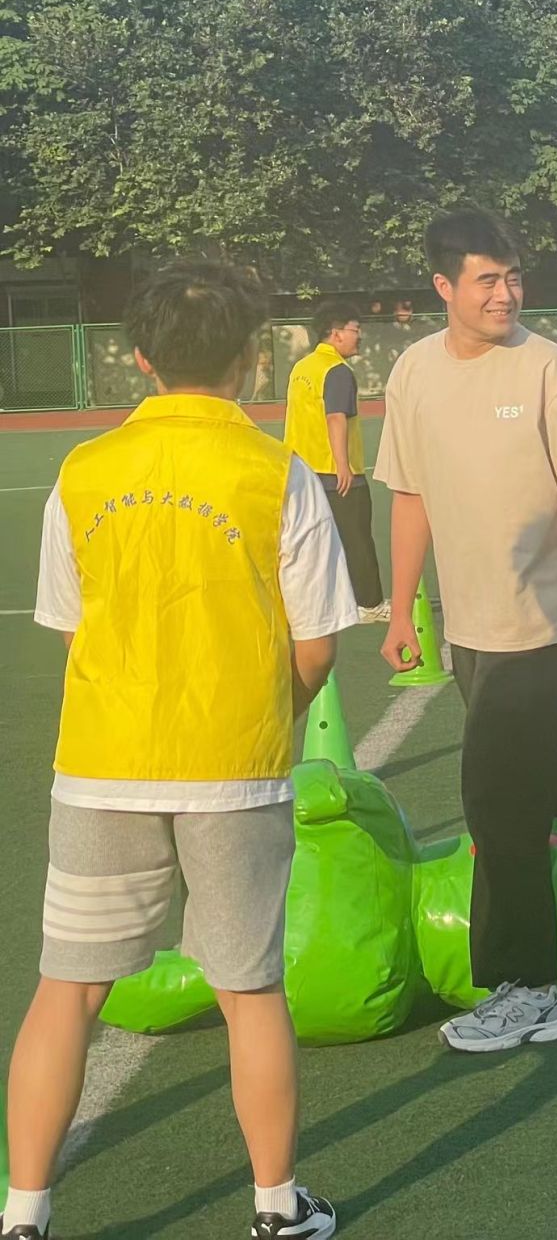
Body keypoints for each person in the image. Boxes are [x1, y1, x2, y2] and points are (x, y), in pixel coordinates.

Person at [8, 261, 354, 1240]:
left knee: (67, 992)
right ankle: (275, 1208)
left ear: (140, 359)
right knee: (250, 993)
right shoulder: (275, 473)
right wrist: (266, 718)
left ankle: (23, 1214)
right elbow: (317, 647)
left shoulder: (84, 470)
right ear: (249, 359)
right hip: (234, 772)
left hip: (101, 765)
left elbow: (72, 625)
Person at [376, 211, 557, 1053]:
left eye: (512, 277)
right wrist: (401, 609)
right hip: (469, 629)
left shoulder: (547, 365)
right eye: (487, 279)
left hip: (540, 626)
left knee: (495, 803)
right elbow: (410, 495)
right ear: (443, 286)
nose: (505, 294)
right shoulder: (413, 371)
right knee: (533, 794)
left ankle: (530, 987)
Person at [284, 298, 389, 623]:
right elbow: (335, 417)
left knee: (311, 543)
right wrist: (343, 465)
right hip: (336, 473)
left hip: (302, 470)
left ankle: (315, 603)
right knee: (357, 540)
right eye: (355, 330)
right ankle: (369, 604)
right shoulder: (337, 371)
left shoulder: (302, 368)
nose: (360, 336)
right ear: (336, 333)